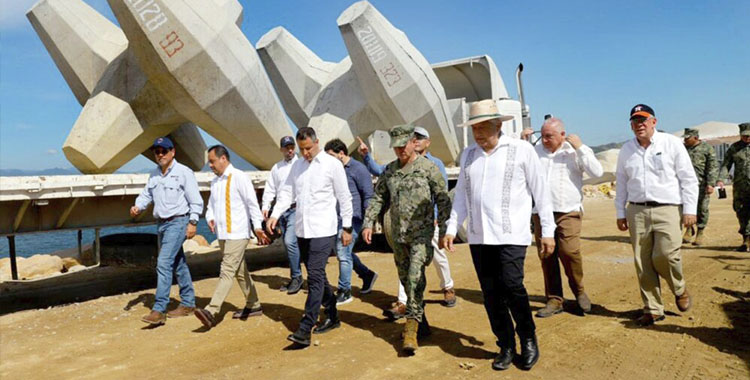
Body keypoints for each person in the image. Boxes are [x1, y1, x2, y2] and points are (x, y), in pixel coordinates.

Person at [442, 99, 555, 371]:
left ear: (498, 125)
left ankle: (527, 338)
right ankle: (504, 344)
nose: (478, 134)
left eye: (483, 128)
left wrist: (548, 231)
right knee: (491, 293)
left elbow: (541, 192)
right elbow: (461, 197)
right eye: (474, 129)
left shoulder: (521, 150)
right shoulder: (468, 155)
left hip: (511, 234)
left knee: (513, 287)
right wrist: (451, 227)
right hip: (480, 237)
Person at [362, 124, 452, 354]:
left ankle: (410, 331)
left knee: (414, 278)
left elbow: (443, 200)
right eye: (396, 147)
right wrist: (369, 222)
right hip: (398, 236)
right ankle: (422, 324)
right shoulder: (390, 171)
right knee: (407, 280)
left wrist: (443, 231)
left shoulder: (428, 168)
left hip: (421, 235)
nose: (400, 150)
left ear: (413, 142)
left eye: (404, 145)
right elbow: (379, 197)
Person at [267, 127, 354, 347]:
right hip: (302, 229)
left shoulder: (332, 165)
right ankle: (333, 315)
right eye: (301, 149)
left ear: (316, 142)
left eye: (308, 148)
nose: (305, 153)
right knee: (317, 274)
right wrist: (275, 214)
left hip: (324, 230)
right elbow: (287, 193)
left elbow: (345, 198)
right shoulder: (297, 166)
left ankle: (305, 328)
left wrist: (347, 228)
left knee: (314, 277)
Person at [615, 104, 698, 327]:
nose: (639, 125)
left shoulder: (670, 144)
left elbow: (688, 178)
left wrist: (690, 210)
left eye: (643, 120)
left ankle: (679, 289)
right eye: (634, 121)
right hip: (637, 210)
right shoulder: (627, 149)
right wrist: (620, 212)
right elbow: (621, 182)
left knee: (666, 255)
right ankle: (653, 309)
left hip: (668, 208)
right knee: (642, 261)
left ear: (654, 122)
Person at [527, 117, 603, 318]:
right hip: (542, 212)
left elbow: (597, 172)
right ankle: (554, 299)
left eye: (549, 136)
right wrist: (523, 143)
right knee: (547, 255)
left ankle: (578, 290)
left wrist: (581, 147)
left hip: (567, 210)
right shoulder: (535, 152)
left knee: (570, 252)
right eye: (542, 136)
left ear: (562, 135)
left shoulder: (573, 151)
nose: (544, 140)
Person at [193, 145, 271, 329]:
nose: (210, 165)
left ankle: (211, 310)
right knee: (239, 270)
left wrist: (258, 228)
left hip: (238, 233)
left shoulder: (240, 177)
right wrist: (210, 217)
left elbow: (252, 204)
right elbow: (211, 204)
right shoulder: (215, 182)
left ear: (223, 159)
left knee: (227, 269)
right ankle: (254, 304)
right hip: (223, 233)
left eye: (212, 161)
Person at [130, 136, 203, 326]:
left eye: (164, 151)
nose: (160, 154)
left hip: (178, 222)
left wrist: (193, 222)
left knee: (163, 263)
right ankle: (188, 303)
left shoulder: (183, 172)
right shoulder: (154, 174)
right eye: (157, 151)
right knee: (178, 263)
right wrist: (138, 206)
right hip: (161, 224)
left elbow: (196, 200)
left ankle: (159, 309)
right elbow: (146, 194)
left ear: (173, 152)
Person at [324, 139, 378, 305]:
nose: (329, 160)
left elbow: (368, 195)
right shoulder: (333, 170)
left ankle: (344, 290)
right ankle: (367, 274)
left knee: (342, 252)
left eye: (331, 156)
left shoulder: (358, 169)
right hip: (336, 218)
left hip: (353, 218)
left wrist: (368, 222)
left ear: (341, 153)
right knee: (344, 252)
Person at [261, 136, 303, 294]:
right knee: (289, 245)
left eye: (292, 147)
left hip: (295, 209)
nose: (290, 150)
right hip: (282, 212)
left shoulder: (301, 165)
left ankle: (297, 277)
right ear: (281, 149)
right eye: (286, 147)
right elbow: (270, 189)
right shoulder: (276, 168)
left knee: (290, 241)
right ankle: (296, 276)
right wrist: (266, 206)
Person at [716, 122, 750, 252]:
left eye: (749, 136)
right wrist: (721, 179)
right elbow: (726, 165)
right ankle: (746, 240)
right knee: (741, 211)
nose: (747, 138)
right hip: (741, 187)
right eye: (745, 136)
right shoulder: (734, 148)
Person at [682, 128, 718, 246]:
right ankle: (688, 228)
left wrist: (711, 183)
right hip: (685, 185)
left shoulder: (707, 148)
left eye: (688, 138)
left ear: (696, 138)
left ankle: (700, 232)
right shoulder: (682, 148)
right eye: (685, 138)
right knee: (685, 206)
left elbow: (712, 166)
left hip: (701, 184)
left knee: (702, 209)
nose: (685, 140)